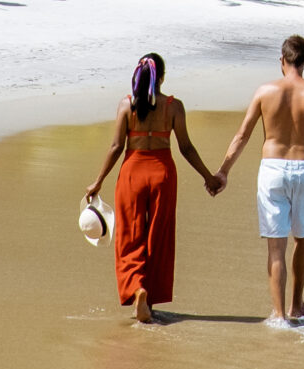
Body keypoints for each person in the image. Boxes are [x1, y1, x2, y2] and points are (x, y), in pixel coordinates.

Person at [86, 52, 223, 323]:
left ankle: (138, 289)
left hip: (132, 174)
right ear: (161, 77)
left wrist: (98, 180)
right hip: (162, 173)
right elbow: (186, 148)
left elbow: (116, 147)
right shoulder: (174, 107)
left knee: (130, 236)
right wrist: (208, 177)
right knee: (158, 238)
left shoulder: (126, 106)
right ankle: (149, 300)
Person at [217, 34, 304, 326]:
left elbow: (242, 135)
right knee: (303, 240)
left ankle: (279, 315)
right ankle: (296, 306)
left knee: (276, 247)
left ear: (281, 60)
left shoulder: (264, 92)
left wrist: (224, 171)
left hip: (272, 170)